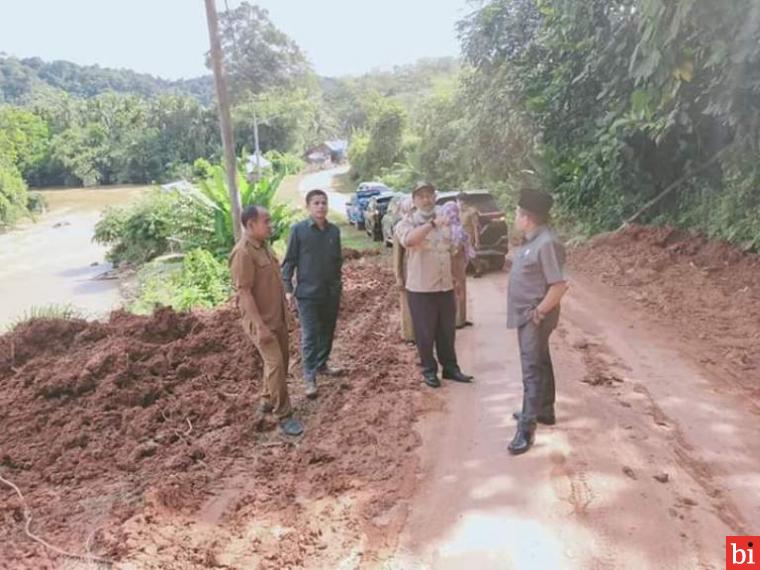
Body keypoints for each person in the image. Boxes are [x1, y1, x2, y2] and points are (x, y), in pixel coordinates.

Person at [229, 205, 304, 437]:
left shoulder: (263, 247)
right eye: (266, 221)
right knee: (276, 365)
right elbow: (245, 293)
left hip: (276, 316)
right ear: (251, 225)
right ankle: (284, 415)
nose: (271, 225)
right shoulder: (243, 252)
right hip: (261, 322)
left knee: (279, 362)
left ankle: (266, 399)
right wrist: (260, 327)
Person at [507, 188, 569, 455]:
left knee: (531, 367)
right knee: (541, 359)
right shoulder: (532, 239)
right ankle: (545, 409)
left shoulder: (546, 243)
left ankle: (526, 428)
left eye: (517, 213)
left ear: (527, 217)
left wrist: (539, 313)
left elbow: (558, 285)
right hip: (528, 314)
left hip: (535, 316)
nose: (515, 216)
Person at [395, 182, 474, 388]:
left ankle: (450, 368)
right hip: (421, 289)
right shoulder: (407, 223)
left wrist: (457, 279)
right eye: (420, 196)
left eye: (429, 195)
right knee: (424, 333)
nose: (426, 199)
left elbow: (452, 252)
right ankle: (429, 370)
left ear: (434, 197)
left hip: (444, 286)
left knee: (447, 331)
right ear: (414, 201)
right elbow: (410, 241)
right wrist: (432, 224)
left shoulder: (447, 219)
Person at [282, 189, 343, 400]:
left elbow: (337, 261)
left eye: (324, 202)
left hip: (330, 292)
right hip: (307, 294)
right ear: (308, 207)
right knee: (309, 336)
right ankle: (309, 378)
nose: (321, 206)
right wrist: (288, 289)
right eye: (316, 203)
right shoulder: (298, 230)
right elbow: (289, 261)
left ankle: (322, 364)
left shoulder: (334, 231)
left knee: (328, 330)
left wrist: (338, 285)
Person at [442, 201, 475, 329]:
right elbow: (464, 246)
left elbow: (453, 248)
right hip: (459, 263)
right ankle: (460, 319)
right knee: (460, 289)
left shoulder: (445, 229)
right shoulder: (459, 228)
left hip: (448, 263)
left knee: (452, 290)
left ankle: (455, 320)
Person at [393, 196, 416, 344]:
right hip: (407, 273)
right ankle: (409, 335)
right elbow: (397, 256)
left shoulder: (421, 225)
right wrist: (399, 277)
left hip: (421, 274)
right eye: (413, 208)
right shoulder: (400, 227)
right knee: (407, 306)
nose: (415, 211)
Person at [458, 192, 484, 278]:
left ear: (463, 201)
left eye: (459, 201)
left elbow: (475, 226)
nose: (458, 203)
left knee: (471, 254)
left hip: (469, 235)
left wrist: (477, 240)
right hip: (460, 235)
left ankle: (479, 268)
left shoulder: (472, 211)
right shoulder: (458, 211)